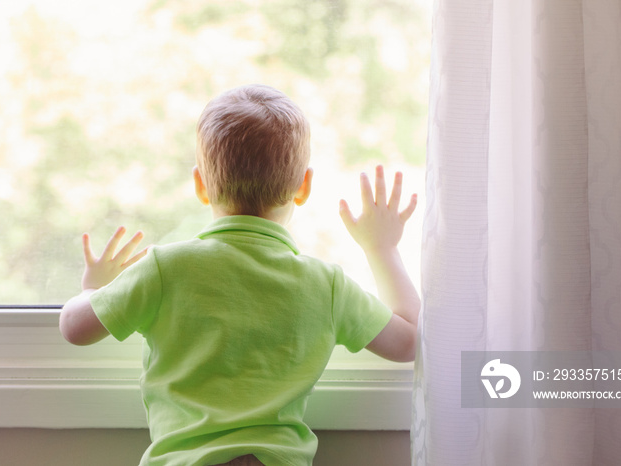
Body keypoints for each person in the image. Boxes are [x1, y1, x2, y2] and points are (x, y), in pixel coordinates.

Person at [60, 84, 420, 466]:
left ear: (201, 185)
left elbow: (74, 328)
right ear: (304, 187)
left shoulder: (165, 268)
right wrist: (381, 249)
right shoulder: (327, 284)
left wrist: (96, 288)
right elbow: (410, 342)